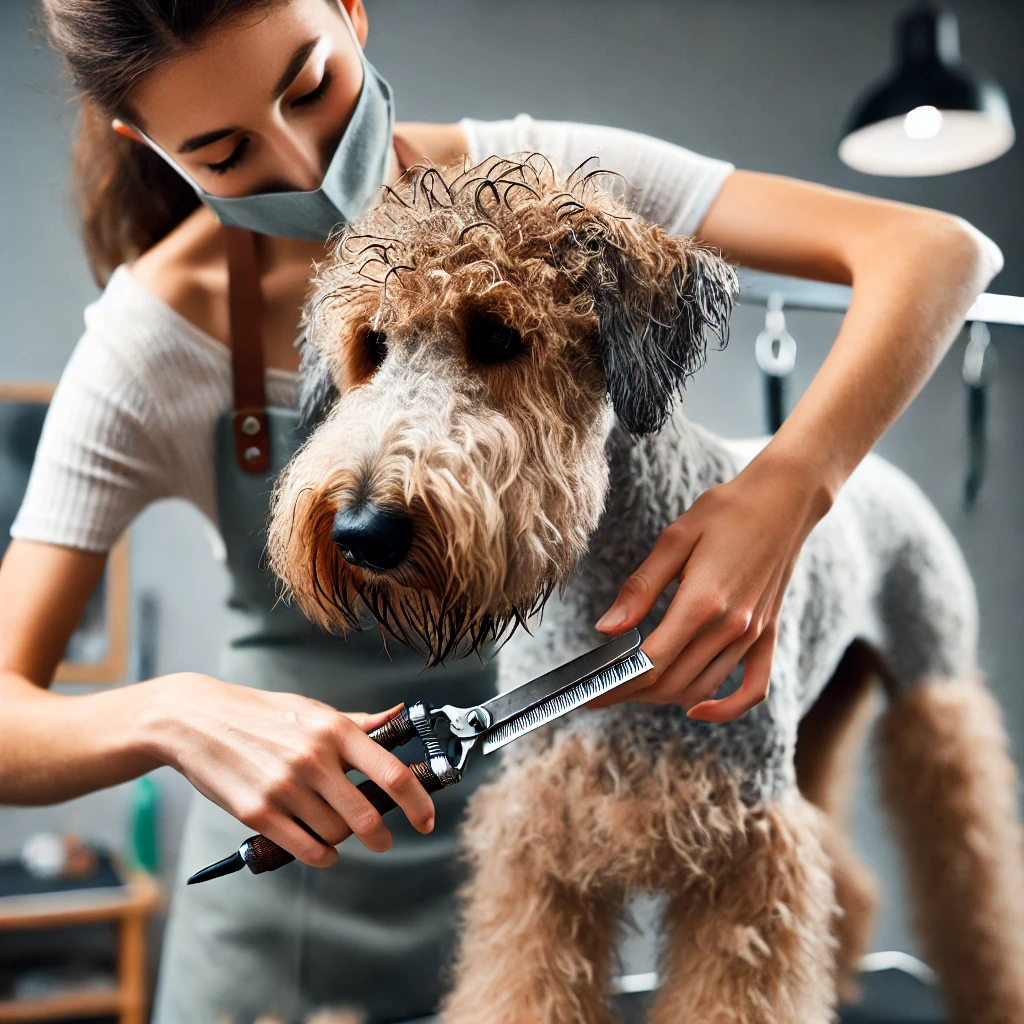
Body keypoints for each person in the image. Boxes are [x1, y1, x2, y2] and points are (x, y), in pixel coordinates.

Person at [0, 0, 1002, 1021]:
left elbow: (935, 251)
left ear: (351, 11)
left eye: (310, 87)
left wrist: (788, 489)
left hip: (527, 895)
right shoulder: (148, 343)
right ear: (150, 147)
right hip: (294, 934)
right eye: (221, 153)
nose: (303, 163)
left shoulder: (549, 184)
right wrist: (171, 713)